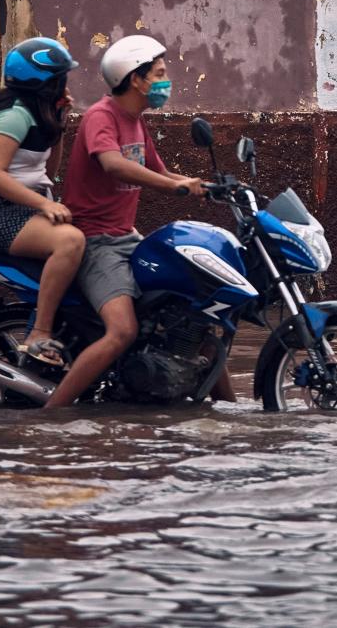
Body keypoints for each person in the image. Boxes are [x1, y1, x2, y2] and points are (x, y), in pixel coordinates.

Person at [45, 34, 229, 408]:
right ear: (136, 79)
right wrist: (174, 188)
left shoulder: (136, 121)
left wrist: (206, 187)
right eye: (159, 73)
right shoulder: (102, 116)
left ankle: (230, 409)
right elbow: (113, 163)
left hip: (126, 237)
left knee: (195, 314)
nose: (166, 81)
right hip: (95, 243)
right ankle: (50, 415)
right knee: (122, 330)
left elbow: (161, 171)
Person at [0, 37, 84, 368]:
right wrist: (45, 205)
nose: (66, 83)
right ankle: (39, 333)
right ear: (46, 82)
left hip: (25, 208)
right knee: (70, 242)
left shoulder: (38, 114)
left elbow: (48, 170)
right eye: (62, 77)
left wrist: (60, 123)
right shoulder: (13, 116)